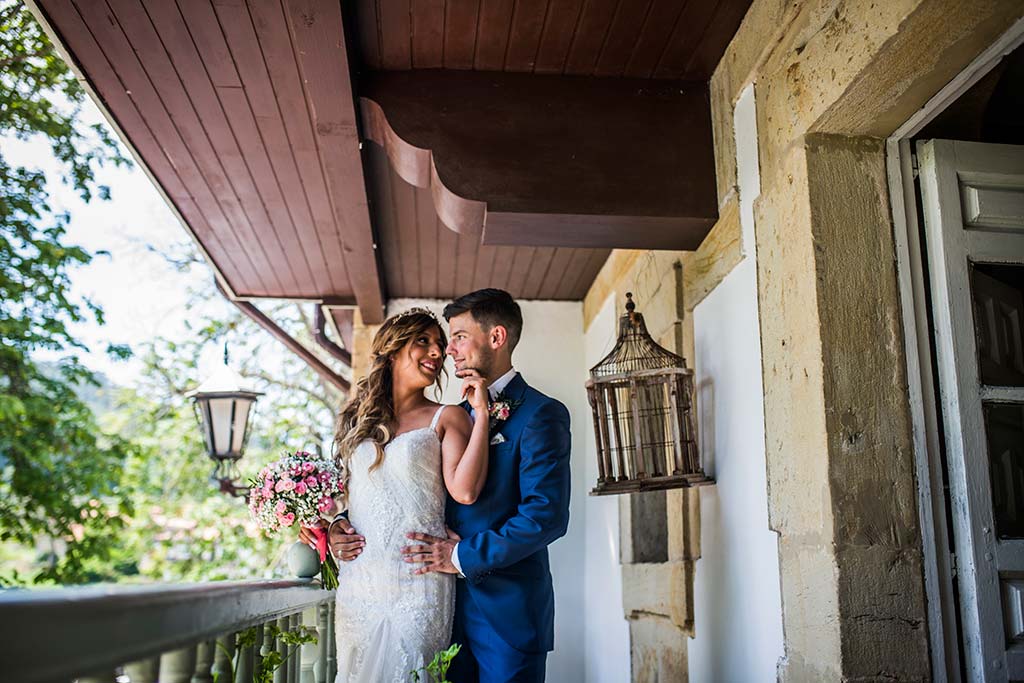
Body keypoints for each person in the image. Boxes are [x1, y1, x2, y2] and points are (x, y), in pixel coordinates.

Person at [333, 289, 572, 682]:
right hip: (437, 604)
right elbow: (403, 490)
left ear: (496, 338)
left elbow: (545, 517)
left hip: (505, 612)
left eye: (458, 337)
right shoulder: (452, 417)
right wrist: (340, 522)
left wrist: (460, 557)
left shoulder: (541, 414)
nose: (449, 350)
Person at [300, 308, 491, 682]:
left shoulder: (448, 416)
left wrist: (481, 414)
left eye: (440, 345)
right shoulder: (356, 422)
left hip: (419, 581)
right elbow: (345, 501)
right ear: (392, 350)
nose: (437, 353)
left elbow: (465, 491)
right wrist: (335, 526)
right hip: (360, 582)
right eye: (423, 341)